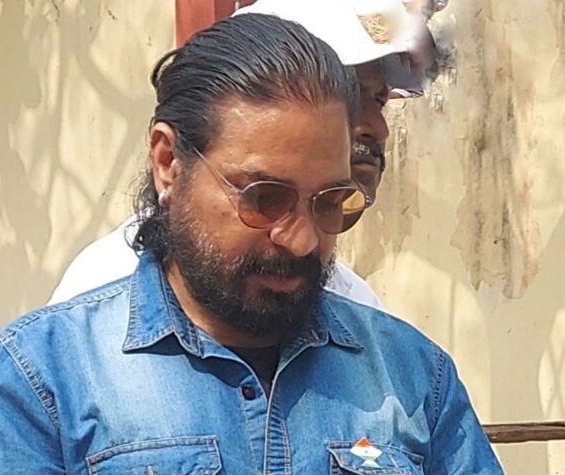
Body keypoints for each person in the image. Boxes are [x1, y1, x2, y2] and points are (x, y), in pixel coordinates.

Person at [0, 13, 563, 475]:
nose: (301, 238)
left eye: (331, 203)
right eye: (265, 198)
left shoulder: (411, 373)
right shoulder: (41, 373)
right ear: (169, 162)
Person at [48, 0, 445, 308]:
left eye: (378, 100)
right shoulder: (104, 304)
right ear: (168, 162)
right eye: (344, 96)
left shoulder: (357, 309)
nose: (377, 128)